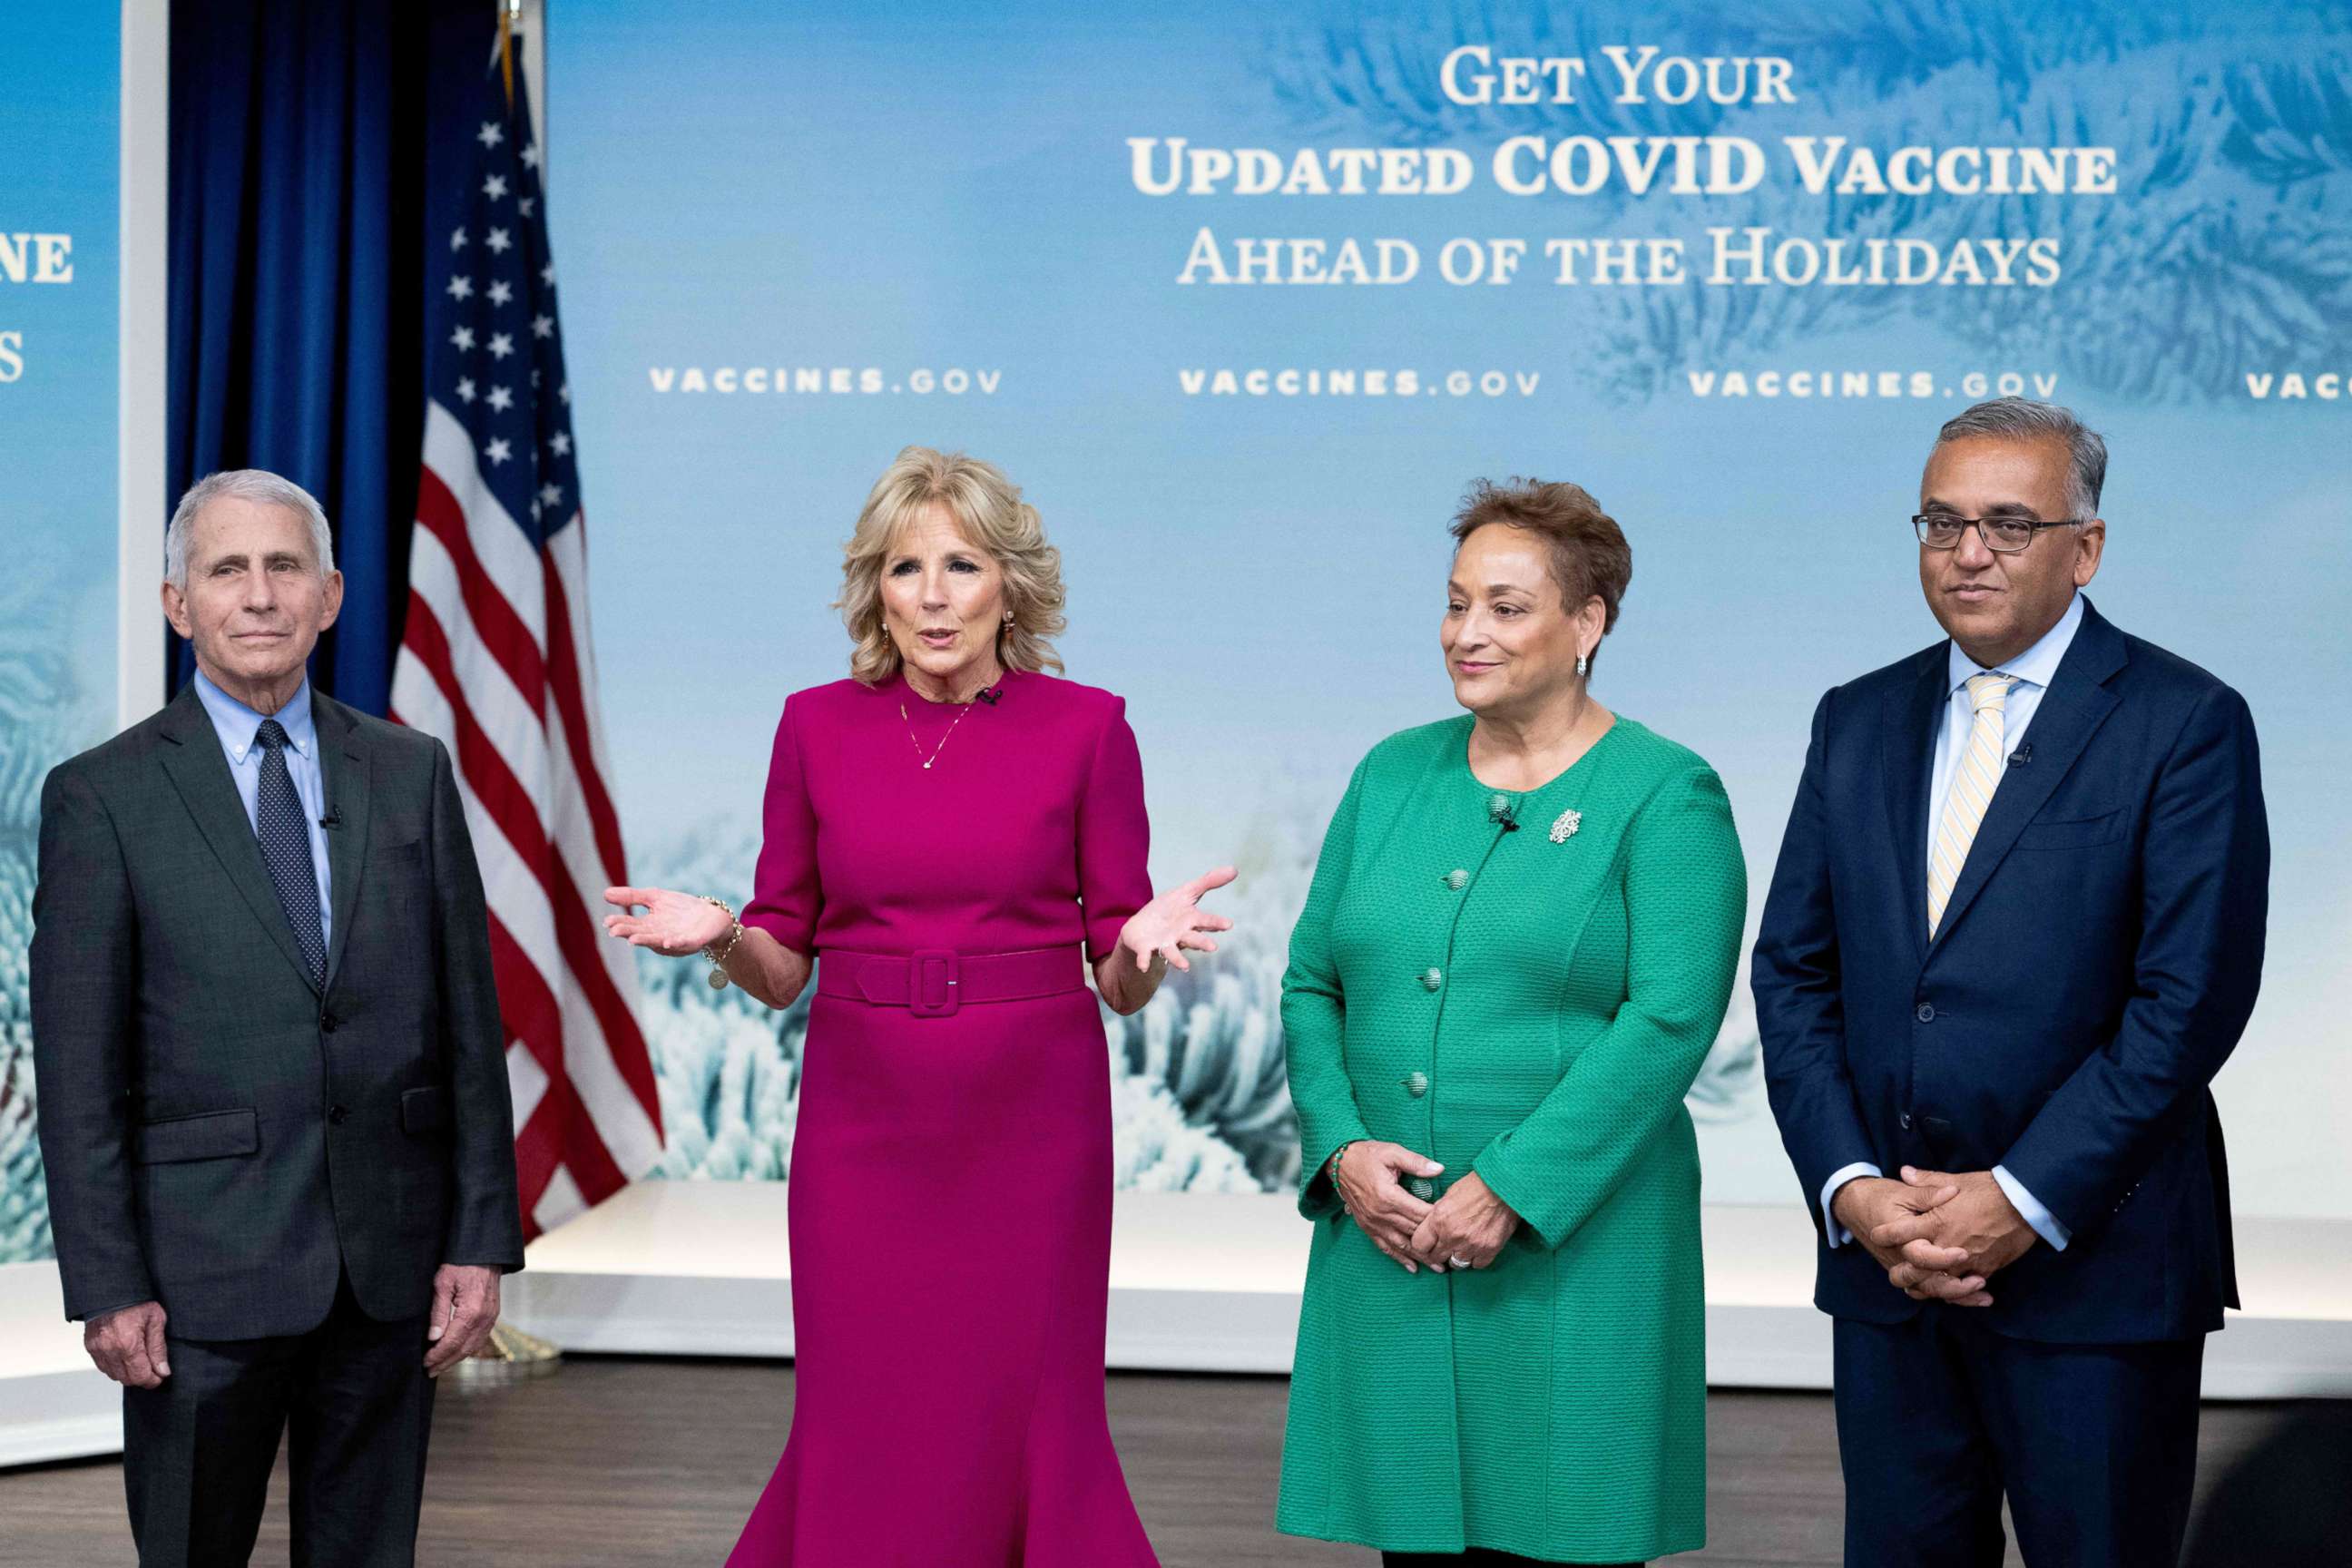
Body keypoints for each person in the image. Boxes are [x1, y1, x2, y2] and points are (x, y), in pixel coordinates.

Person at [603, 446, 1233, 1567]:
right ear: (875, 590)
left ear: (1011, 584)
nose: (934, 596)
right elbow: (785, 963)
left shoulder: (1090, 729)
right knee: (868, 1401)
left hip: (1032, 1129)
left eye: (963, 564)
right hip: (864, 1124)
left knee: (1029, 1403)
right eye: (906, 569)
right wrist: (725, 932)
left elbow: (1117, 978)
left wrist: (1141, 947)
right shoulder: (812, 727)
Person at [1752, 397, 2269, 1567]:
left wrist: (2020, 1198)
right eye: (1941, 522)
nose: (1968, 551)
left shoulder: (2185, 721)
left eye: (2007, 524)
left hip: (2098, 1276)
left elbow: (2187, 1004)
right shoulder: (1857, 718)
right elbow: (1794, 973)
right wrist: (1851, 1189)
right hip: (1890, 1275)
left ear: (2085, 547)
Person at [31, 470, 522, 1568]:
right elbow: (75, 1070)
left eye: (284, 567)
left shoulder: (410, 773)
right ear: (178, 604)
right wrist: (109, 1283)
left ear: (331, 594)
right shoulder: (99, 796)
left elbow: (468, 1029)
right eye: (227, 570)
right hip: (198, 1277)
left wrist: (480, 1240)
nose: (258, 595)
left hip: (389, 1267)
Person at [1277, 478, 1746, 1566]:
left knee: (1567, 1539)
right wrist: (1341, 1152)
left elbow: (1670, 1020)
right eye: (1454, 604)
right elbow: (1312, 983)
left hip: (1577, 1254)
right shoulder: (1392, 772)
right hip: (1392, 1242)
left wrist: (1511, 1188)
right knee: (1417, 1548)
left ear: (1588, 625)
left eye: (1505, 606)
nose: (1466, 633)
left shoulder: (1667, 793)